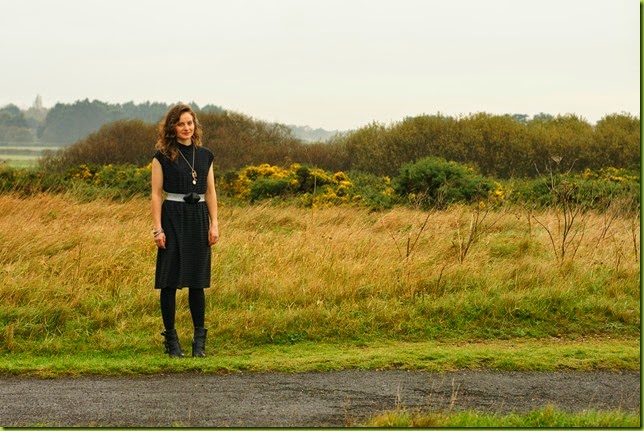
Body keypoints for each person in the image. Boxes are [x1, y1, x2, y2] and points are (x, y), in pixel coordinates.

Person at [151, 103, 219, 358]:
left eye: (189, 123)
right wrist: (157, 230)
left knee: (197, 282)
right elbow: (156, 195)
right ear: (172, 127)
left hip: (198, 218)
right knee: (169, 282)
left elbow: (210, 191)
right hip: (172, 217)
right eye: (180, 123)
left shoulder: (205, 155)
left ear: (195, 126)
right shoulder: (161, 156)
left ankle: (199, 344)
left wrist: (214, 224)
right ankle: (172, 342)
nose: (186, 128)